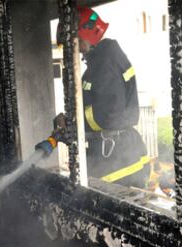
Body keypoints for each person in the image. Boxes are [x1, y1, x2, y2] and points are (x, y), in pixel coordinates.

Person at [57, 6, 150, 188]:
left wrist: (72, 124)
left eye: (74, 41)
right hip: (116, 154)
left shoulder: (105, 65)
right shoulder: (103, 60)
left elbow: (107, 116)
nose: (73, 49)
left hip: (118, 164)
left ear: (86, 34)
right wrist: (72, 122)